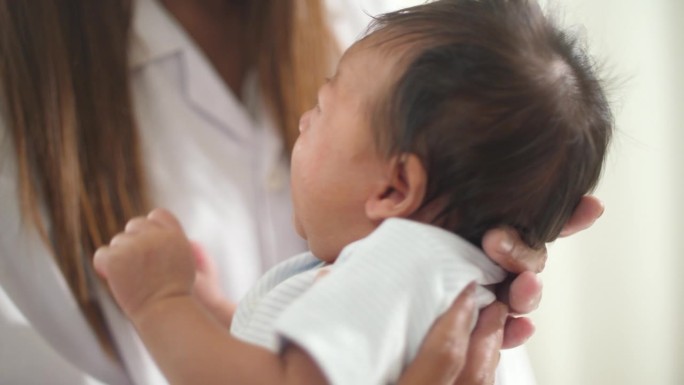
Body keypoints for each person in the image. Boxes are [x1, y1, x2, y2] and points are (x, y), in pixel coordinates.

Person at [93, 0, 613, 384]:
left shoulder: (401, 265)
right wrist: (211, 308)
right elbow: (287, 356)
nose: (301, 121)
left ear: (394, 189)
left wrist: (160, 301)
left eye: (320, 109)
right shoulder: (412, 273)